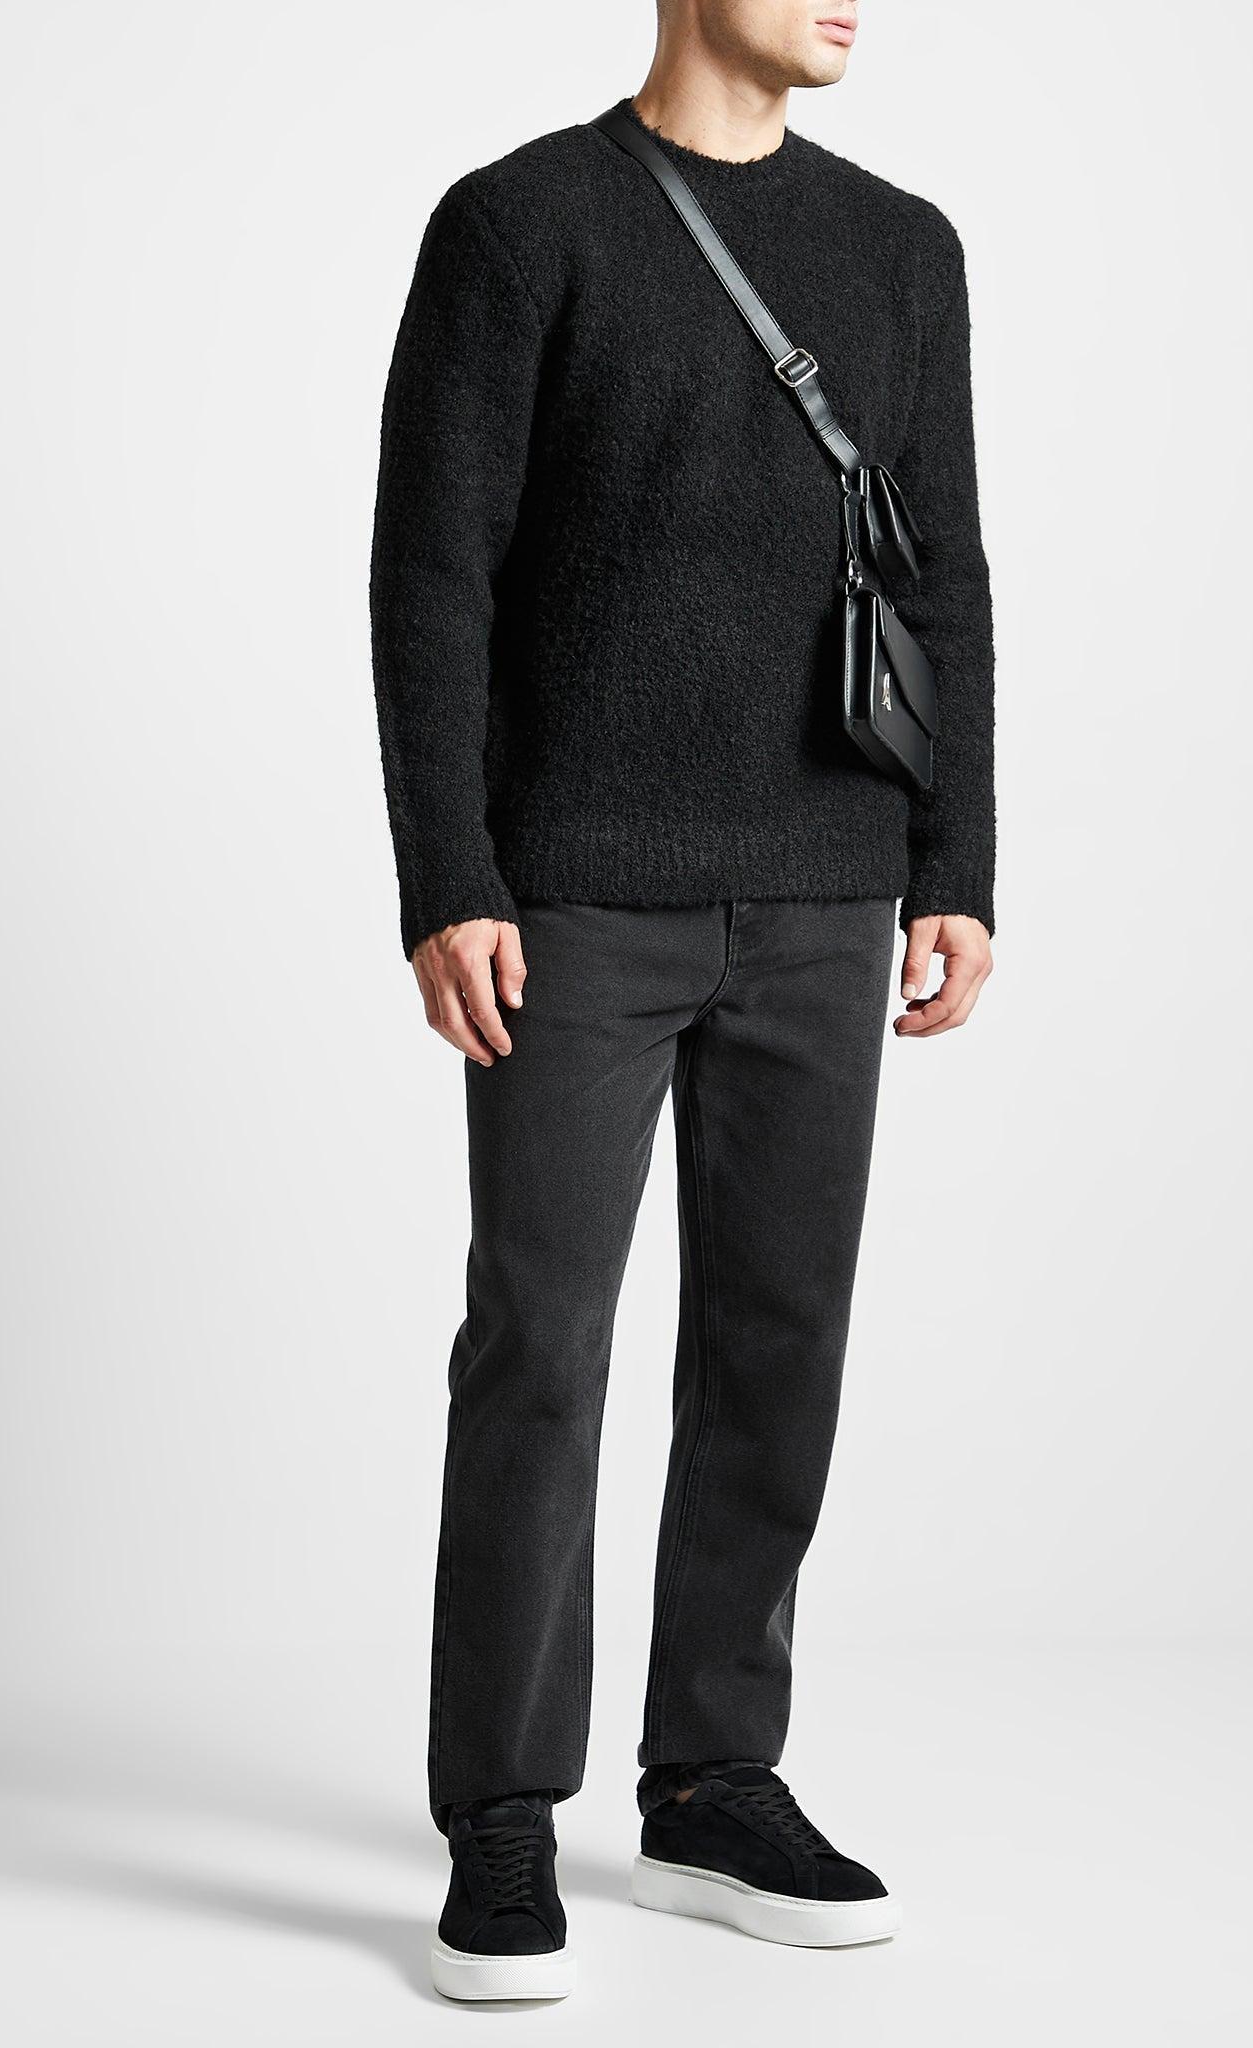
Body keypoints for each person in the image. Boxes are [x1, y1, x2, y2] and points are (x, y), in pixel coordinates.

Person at [369, 0, 995, 2004]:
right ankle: (499, 1811)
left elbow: (942, 569)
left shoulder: (901, 247)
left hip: (828, 886)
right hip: (573, 896)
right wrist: (451, 876)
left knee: (775, 1340)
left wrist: (955, 863)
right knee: (540, 1347)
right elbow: (432, 574)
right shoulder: (518, 223)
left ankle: (716, 1779)